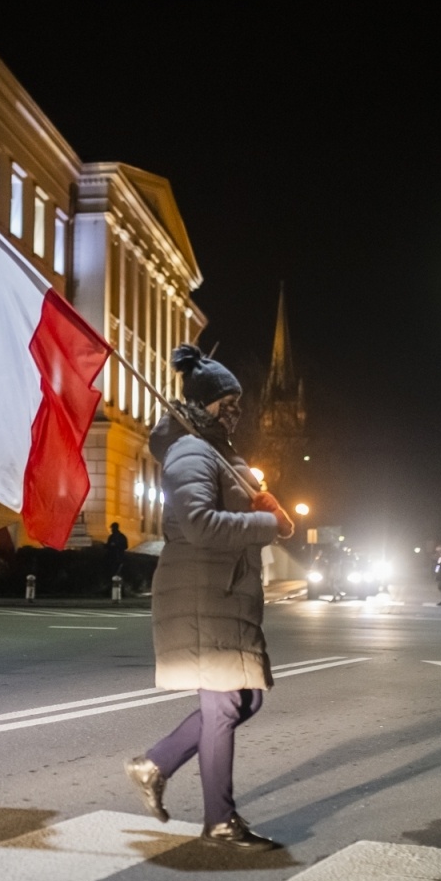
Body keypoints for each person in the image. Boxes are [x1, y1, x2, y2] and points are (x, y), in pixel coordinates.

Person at [124, 344, 293, 852]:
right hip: (201, 591)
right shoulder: (191, 452)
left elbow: (236, 509)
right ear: (204, 403)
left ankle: (154, 764)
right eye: (228, 403)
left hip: (224, 593)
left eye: (239, 404)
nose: (236, 412)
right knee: (224, 704)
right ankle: (220, 821)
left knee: (247, 697)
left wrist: (265, 506)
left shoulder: (219, 454)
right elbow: (199, 525)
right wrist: (262, 523)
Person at [106, 522, 129, 588]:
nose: (111, 530)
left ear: (115, 528)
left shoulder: (121, 537)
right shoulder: (111, 537)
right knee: (112, 573)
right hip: (112, 558)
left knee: (118, 573)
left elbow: (125, 546)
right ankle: (112, 586)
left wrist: (116, 546)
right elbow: (108, 546)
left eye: (112, 528)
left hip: (119, 557)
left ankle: (119, 587)